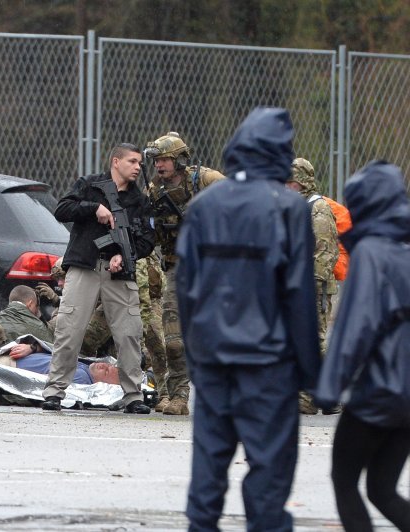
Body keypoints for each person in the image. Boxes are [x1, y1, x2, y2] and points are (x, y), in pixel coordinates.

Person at [175, 107, 321, 531]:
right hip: (269, 366)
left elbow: (185, 289)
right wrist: (313, 375)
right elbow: (299, 296)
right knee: (269, 482)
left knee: (208, 475)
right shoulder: (290, 208)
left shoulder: (203, 205)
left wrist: (196, 357)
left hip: (214, 360)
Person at [315, 160, 410, 532]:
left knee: (345, 481)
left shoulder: (371, 252)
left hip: (378, 392)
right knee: (383, 489)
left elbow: (355, 328)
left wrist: (328, 388)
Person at [41, 143, 155, 414]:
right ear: (116, 161)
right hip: (85, 266)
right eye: (132, 161)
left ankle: (133, 396)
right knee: (69, 329)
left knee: (129, 334)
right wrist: (94, 208)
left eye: (140, 162)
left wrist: (124, 256)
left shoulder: (140, 201)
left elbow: (148, 240)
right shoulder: (91, 185)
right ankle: (54, 392)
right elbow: (63, 209)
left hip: (119, 273)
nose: (138, 167)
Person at [145, 132, 225, 415]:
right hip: (177, 270)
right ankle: (179, 395)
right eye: (156, 160)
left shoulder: (207, 181)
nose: (159, 165)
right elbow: (147, 234)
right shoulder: (154, 192)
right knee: (174, 339)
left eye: (165, 159)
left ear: (179, 159)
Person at [286, 157, 340, 415]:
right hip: (299, 285)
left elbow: (325, 250)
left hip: (313, 286)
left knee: (316, 338)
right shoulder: (296, 207)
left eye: (290, 182)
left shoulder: (317, 208)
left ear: (301, 183)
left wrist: (313, 285)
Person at [36, 258, 113, 357]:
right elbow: (54, 329)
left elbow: (86, 343)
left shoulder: (106, 300)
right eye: (57, 279)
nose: (59, 283)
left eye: (63, 277)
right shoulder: (74, 297)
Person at [136, 253, 168, 409]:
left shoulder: (149, 248)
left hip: (152, 302)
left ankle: (166, 395)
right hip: (122, 299)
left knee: (160, 351)